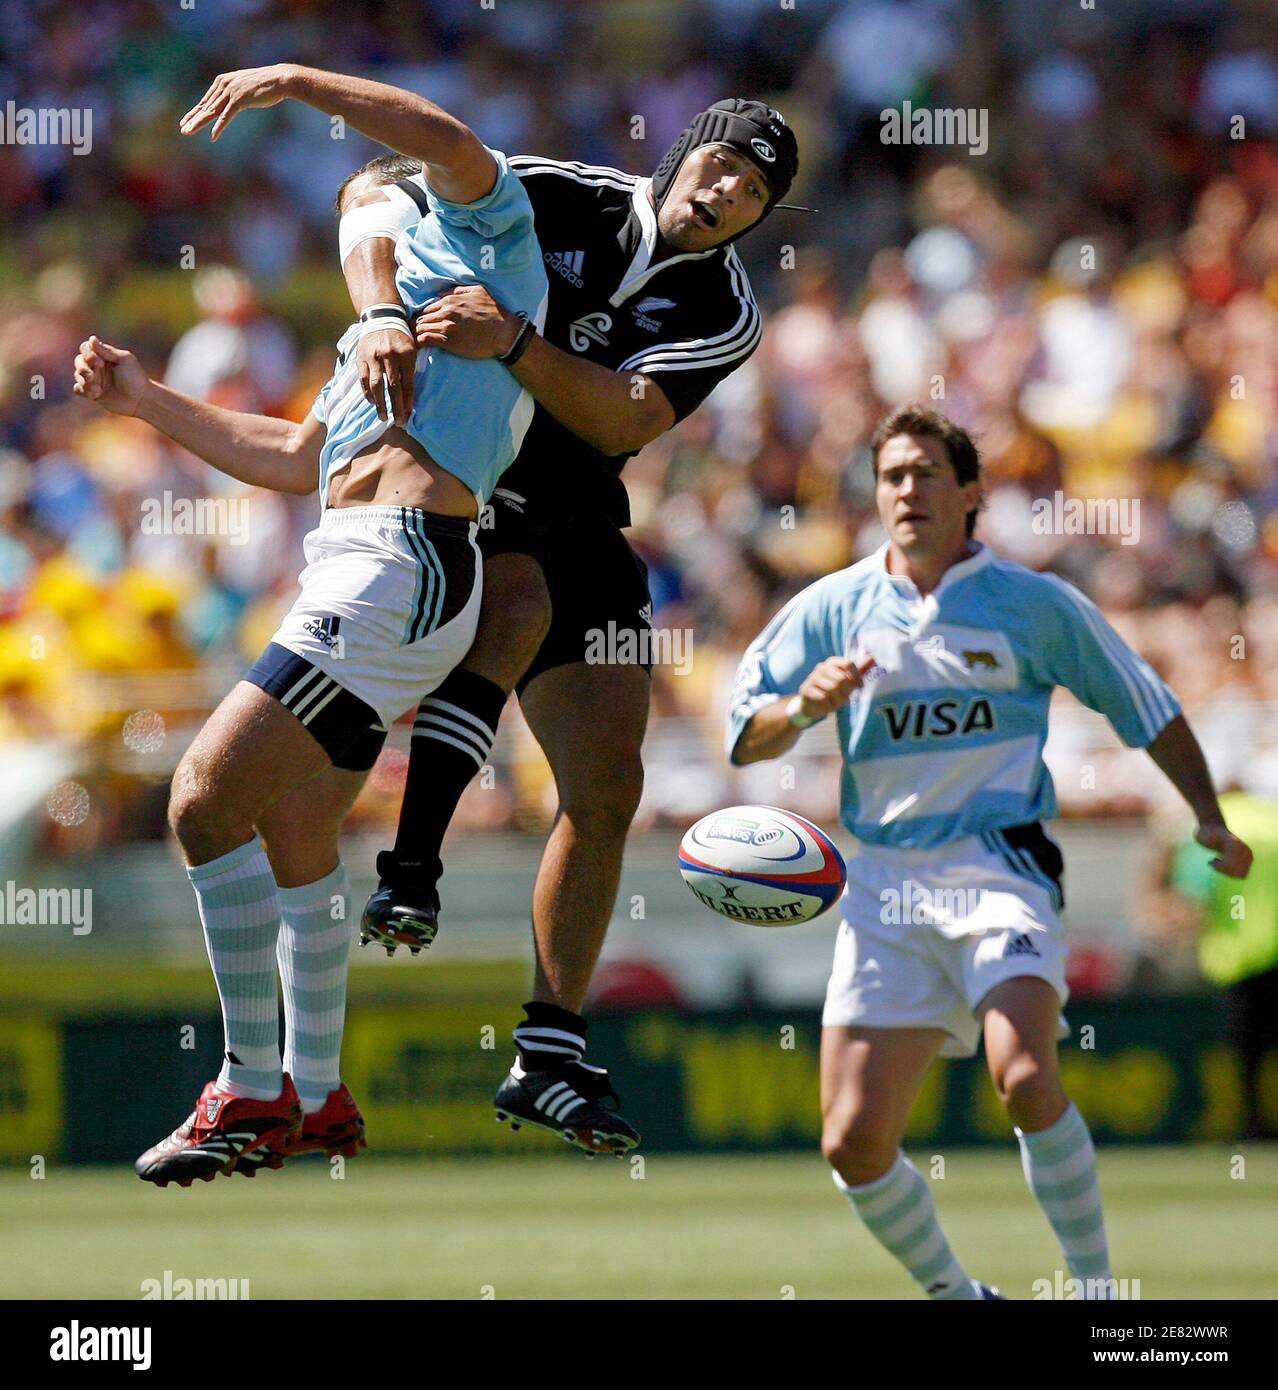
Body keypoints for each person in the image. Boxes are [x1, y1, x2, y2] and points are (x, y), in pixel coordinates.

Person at [72, 62, 547, 1185]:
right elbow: (293, 457)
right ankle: (320, 1090)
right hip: (363, 569)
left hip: (398, 568)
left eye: (364, 215)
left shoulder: (487, 243)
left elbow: (434, 142)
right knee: (292, 828)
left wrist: (293, 78)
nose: (352, 240)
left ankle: (248, 1083)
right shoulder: (362, 347)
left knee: (202, 798)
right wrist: (143, 400)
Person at [338, 99, 801, 1154]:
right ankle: (411, 869)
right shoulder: (551, 189)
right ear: (681, 154)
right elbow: (369, 186)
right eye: (721, 166)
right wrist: (379, 315)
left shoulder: (727, 307)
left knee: (608, 785)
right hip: (467, 461)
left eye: (753, 194)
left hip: (581, 502)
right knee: (517, 608)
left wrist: (514, 340)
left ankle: (547, 1053)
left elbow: (623, 416)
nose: (727, 195)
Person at [725, 404, 1252, 1299]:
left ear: (971, 493)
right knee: (851, 1142)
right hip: (884, 886)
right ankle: (962, 1296)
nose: (907, 490)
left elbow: (1145, 705)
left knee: (1025, 1075)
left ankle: (1095, 1293)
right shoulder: (832, 608)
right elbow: (747, 735)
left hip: (998, 866)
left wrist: (1206, 815)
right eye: (892, 476)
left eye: (928, 473)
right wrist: (805, 708)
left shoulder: (1032, 604)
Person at [1140, 780, 1278, 1139]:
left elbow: (1194, 899)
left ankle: (1252, 1124)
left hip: (1239, 957)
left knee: (1246, 1053)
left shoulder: (1213, 832)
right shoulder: (1272, 819)